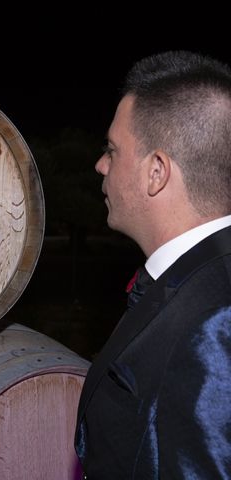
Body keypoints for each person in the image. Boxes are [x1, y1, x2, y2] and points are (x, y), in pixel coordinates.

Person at [75, 50, 231, 478]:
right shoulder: (200, 278)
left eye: (112, 150)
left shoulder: (215, 323)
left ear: (156, 172)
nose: (100, 164)